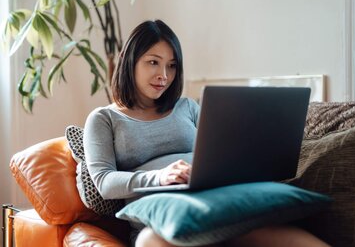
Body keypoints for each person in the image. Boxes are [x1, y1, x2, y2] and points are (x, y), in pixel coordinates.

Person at [83, 19, 330, 247]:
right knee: (149, 241)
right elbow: (104, 181)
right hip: (159, 224)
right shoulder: (104, 118)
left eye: (172, 66)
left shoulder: (187, 107)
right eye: (153, 62)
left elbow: (220, 154)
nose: (164, 76)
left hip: (215, 208)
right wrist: (160, 177)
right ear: (129, 60)